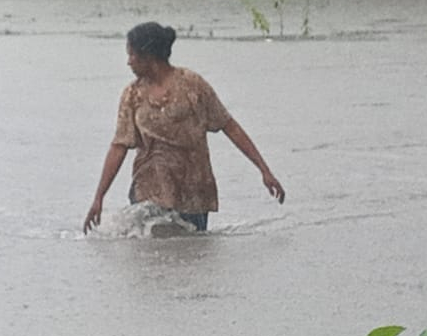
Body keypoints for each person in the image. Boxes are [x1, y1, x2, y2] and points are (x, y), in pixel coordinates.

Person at [83, 22, 285, 234]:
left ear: (149, 56)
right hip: (149, 185)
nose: (128, 62)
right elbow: (119, 146)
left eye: (132, 55)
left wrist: (264, 171)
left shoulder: (192, 85)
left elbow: (229, 126)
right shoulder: (132, 95)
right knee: (149, 253)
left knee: (192, 250)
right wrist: (99, 197)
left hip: (192, 188)